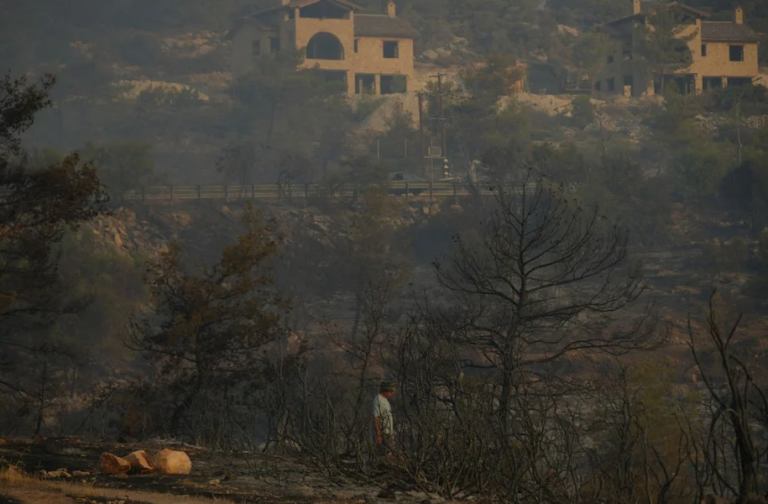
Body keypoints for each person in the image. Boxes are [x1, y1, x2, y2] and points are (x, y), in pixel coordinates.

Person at [372, 381, 395, 455]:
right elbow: (375, 418)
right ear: (385, 390)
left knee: (390, 452)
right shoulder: (377, 400)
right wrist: (378, 434)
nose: (392, 393)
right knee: (384, 453)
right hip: (383, 433)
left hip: (388, 432)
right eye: (390, 391)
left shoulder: (385, 400)